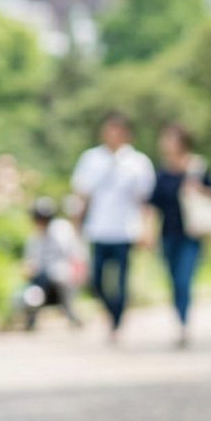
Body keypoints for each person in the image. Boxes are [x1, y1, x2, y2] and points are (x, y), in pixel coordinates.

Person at [70, 113, 155, 344]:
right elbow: (81, 195)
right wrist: (76, 226)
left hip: (125, 230)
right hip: (98, 229)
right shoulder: (91, 159)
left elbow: (145, 202)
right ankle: (111, 312)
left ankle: (118, 320)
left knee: (121, 280)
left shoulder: (138, 163)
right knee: (96, 280)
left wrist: (148, 230)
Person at [147, 123, 211, 349]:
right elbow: (152, 205)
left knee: (183, 279)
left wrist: (197, 188)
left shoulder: (197, 168)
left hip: (191, 233)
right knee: (173, 282)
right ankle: (180, 320)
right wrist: (147, 232)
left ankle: (184, 324)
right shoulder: (162, 173)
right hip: (168, 233)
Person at [10, 197, 84, 331]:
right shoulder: (34, 237)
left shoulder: (62, 230)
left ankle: (70, 312)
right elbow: (30, 260)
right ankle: (31, 318)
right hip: (41, 279)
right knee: (31, 290)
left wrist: (77, 271)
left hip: (61, 276)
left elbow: (73, 253)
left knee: (58, 277)